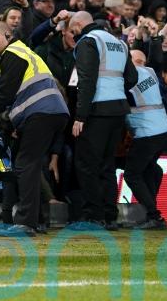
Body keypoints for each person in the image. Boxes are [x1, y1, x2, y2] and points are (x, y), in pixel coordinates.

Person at [0, 22, 69, 237]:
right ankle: (37, 220)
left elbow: (5, 94)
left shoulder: (12, 53)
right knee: (31, 165)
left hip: (40, 112)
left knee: (24, 164)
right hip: (54, 112)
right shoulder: (25, 52)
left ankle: (26, 223)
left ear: (8, 35)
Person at [68, 11, 138, 230]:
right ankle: (109, 216)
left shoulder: (88, 41)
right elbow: (132, 77)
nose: (72, 33)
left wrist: (80, 115)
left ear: (79, 24)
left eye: (72, 29)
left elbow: (86, 80)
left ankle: (93, 216)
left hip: (96, 111)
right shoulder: (119, 43)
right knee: (107, 165)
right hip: (118, 110)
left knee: (87, 164)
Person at [125, 50, 167, 230]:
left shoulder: (126, 79)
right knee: (151, 168)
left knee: (132, 174)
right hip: (164, 129)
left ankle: (153, 215)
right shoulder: (149, 72)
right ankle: (151, 211)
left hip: (147, 131)